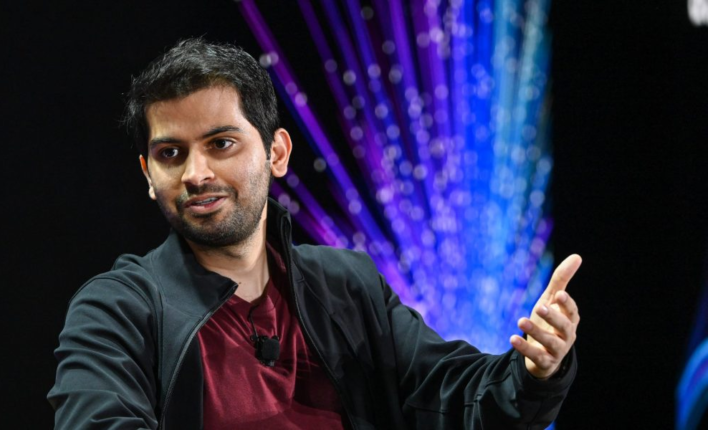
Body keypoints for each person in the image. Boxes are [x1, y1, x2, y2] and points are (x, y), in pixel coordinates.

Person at [47, 38, 582, 429]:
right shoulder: (117, 310)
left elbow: (458, 400)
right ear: (148, 175)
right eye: (171, 153)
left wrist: (534, 369)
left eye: (221, 144)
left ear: (276, 153)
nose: (196, 173)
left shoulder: (348, 287)